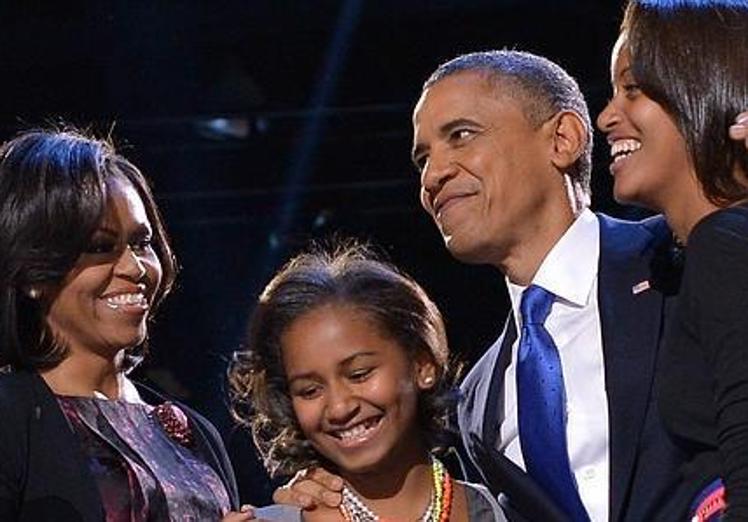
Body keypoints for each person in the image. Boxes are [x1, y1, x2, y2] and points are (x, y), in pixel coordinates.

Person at [274, 50, 692, 521]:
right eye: (423, 160)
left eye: (461, 136)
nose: (433, 176)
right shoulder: (479, 399)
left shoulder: (680, 263)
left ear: (563, 139)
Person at [0, 129, 252, 521]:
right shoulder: (11, 419)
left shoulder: (194, 433)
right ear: (33, 272)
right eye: (101, 247)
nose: (135, 268)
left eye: (142, 242)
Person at [596, 1, 748, 519]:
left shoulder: (725, 244)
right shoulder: (703, 252)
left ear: (703, 85)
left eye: (632, 89)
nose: (607, 117)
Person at [229, 243, 505, 521]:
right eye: (310, 390)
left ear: (422, 364)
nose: (339, 408)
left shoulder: (499, 509)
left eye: (359, 374)